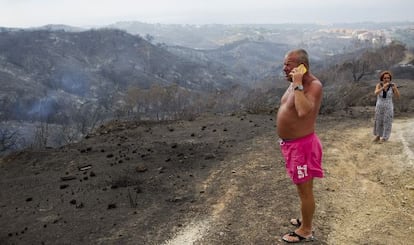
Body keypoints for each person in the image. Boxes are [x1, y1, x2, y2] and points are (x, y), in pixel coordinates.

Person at [276, 49, 324, 243]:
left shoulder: (313, 85)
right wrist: (295, 82)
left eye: (289, 64)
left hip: (302, 147)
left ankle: (306, 230)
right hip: (292, 146)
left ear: (302, 66)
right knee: (301, 189)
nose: (284, 68)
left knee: (305, 191)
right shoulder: (295, 83)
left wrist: (297, 83)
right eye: (284, 64)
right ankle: (305, 220)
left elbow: (304, 111)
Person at [373, 70, 400, 143]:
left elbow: (398, 96)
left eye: (388, 78)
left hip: (388, 106)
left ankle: (385, 137)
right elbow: (376, 93)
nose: (386, 79)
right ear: (382, 78)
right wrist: (383, 87)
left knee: (387, 121)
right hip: (379, 106)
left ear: (390, 79)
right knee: (379, 121)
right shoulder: (379, 85)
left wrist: (395, 89)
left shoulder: (392, 86)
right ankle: (378, 136)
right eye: (385, 78)